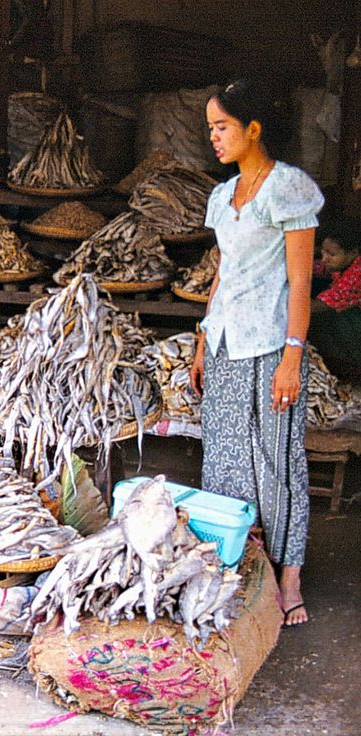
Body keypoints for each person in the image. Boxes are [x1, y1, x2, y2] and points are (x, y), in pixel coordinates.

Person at [191, 79, 324, 629]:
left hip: (271, 346)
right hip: (225, 342)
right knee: (223, 461)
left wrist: (293, 356)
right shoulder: (223, 196)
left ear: (253, 128)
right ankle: (241, 568)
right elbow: (224, 272)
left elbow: (299, 283)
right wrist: (202, 339)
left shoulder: (289, 189)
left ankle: (288, 579)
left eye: (222, 127)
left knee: (276, 464)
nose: (215, 138)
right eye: (211, 129)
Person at [310, 219, 361, 379]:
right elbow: (317, 268)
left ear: (353, 253)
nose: (324, 258)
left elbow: (317, 306)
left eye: (331, 254)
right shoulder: (341, 263)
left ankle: (351, 367)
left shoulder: (356, 276)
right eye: (323, 252)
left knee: (321, 320)